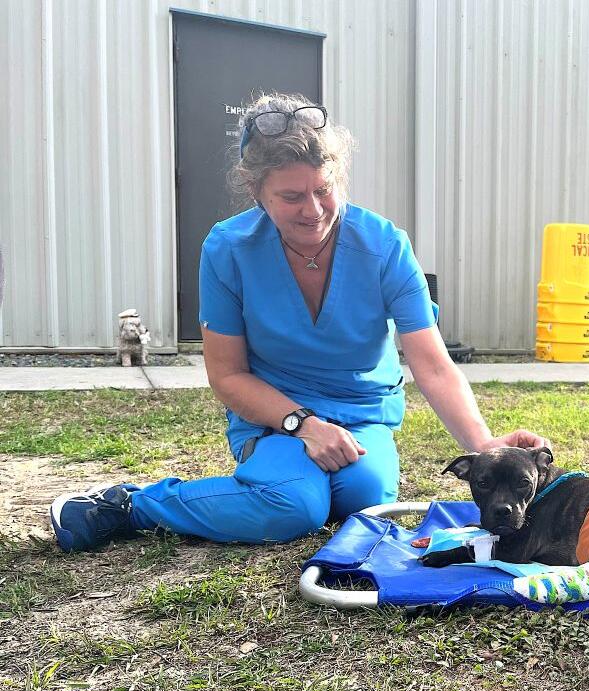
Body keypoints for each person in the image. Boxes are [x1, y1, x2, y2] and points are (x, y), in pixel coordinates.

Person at [51, 94, 545, 552]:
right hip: (274, 418)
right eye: (291, 197)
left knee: (366, 498)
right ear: (256, 191)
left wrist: (485, 446)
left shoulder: (385, 245)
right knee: (295, 507)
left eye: (324, 190)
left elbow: (433, 366)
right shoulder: (227, 250)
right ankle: (132, 505)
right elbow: (227, 376)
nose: (313, 212)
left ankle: (275, 486)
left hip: (360, 413)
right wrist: (303, 424)